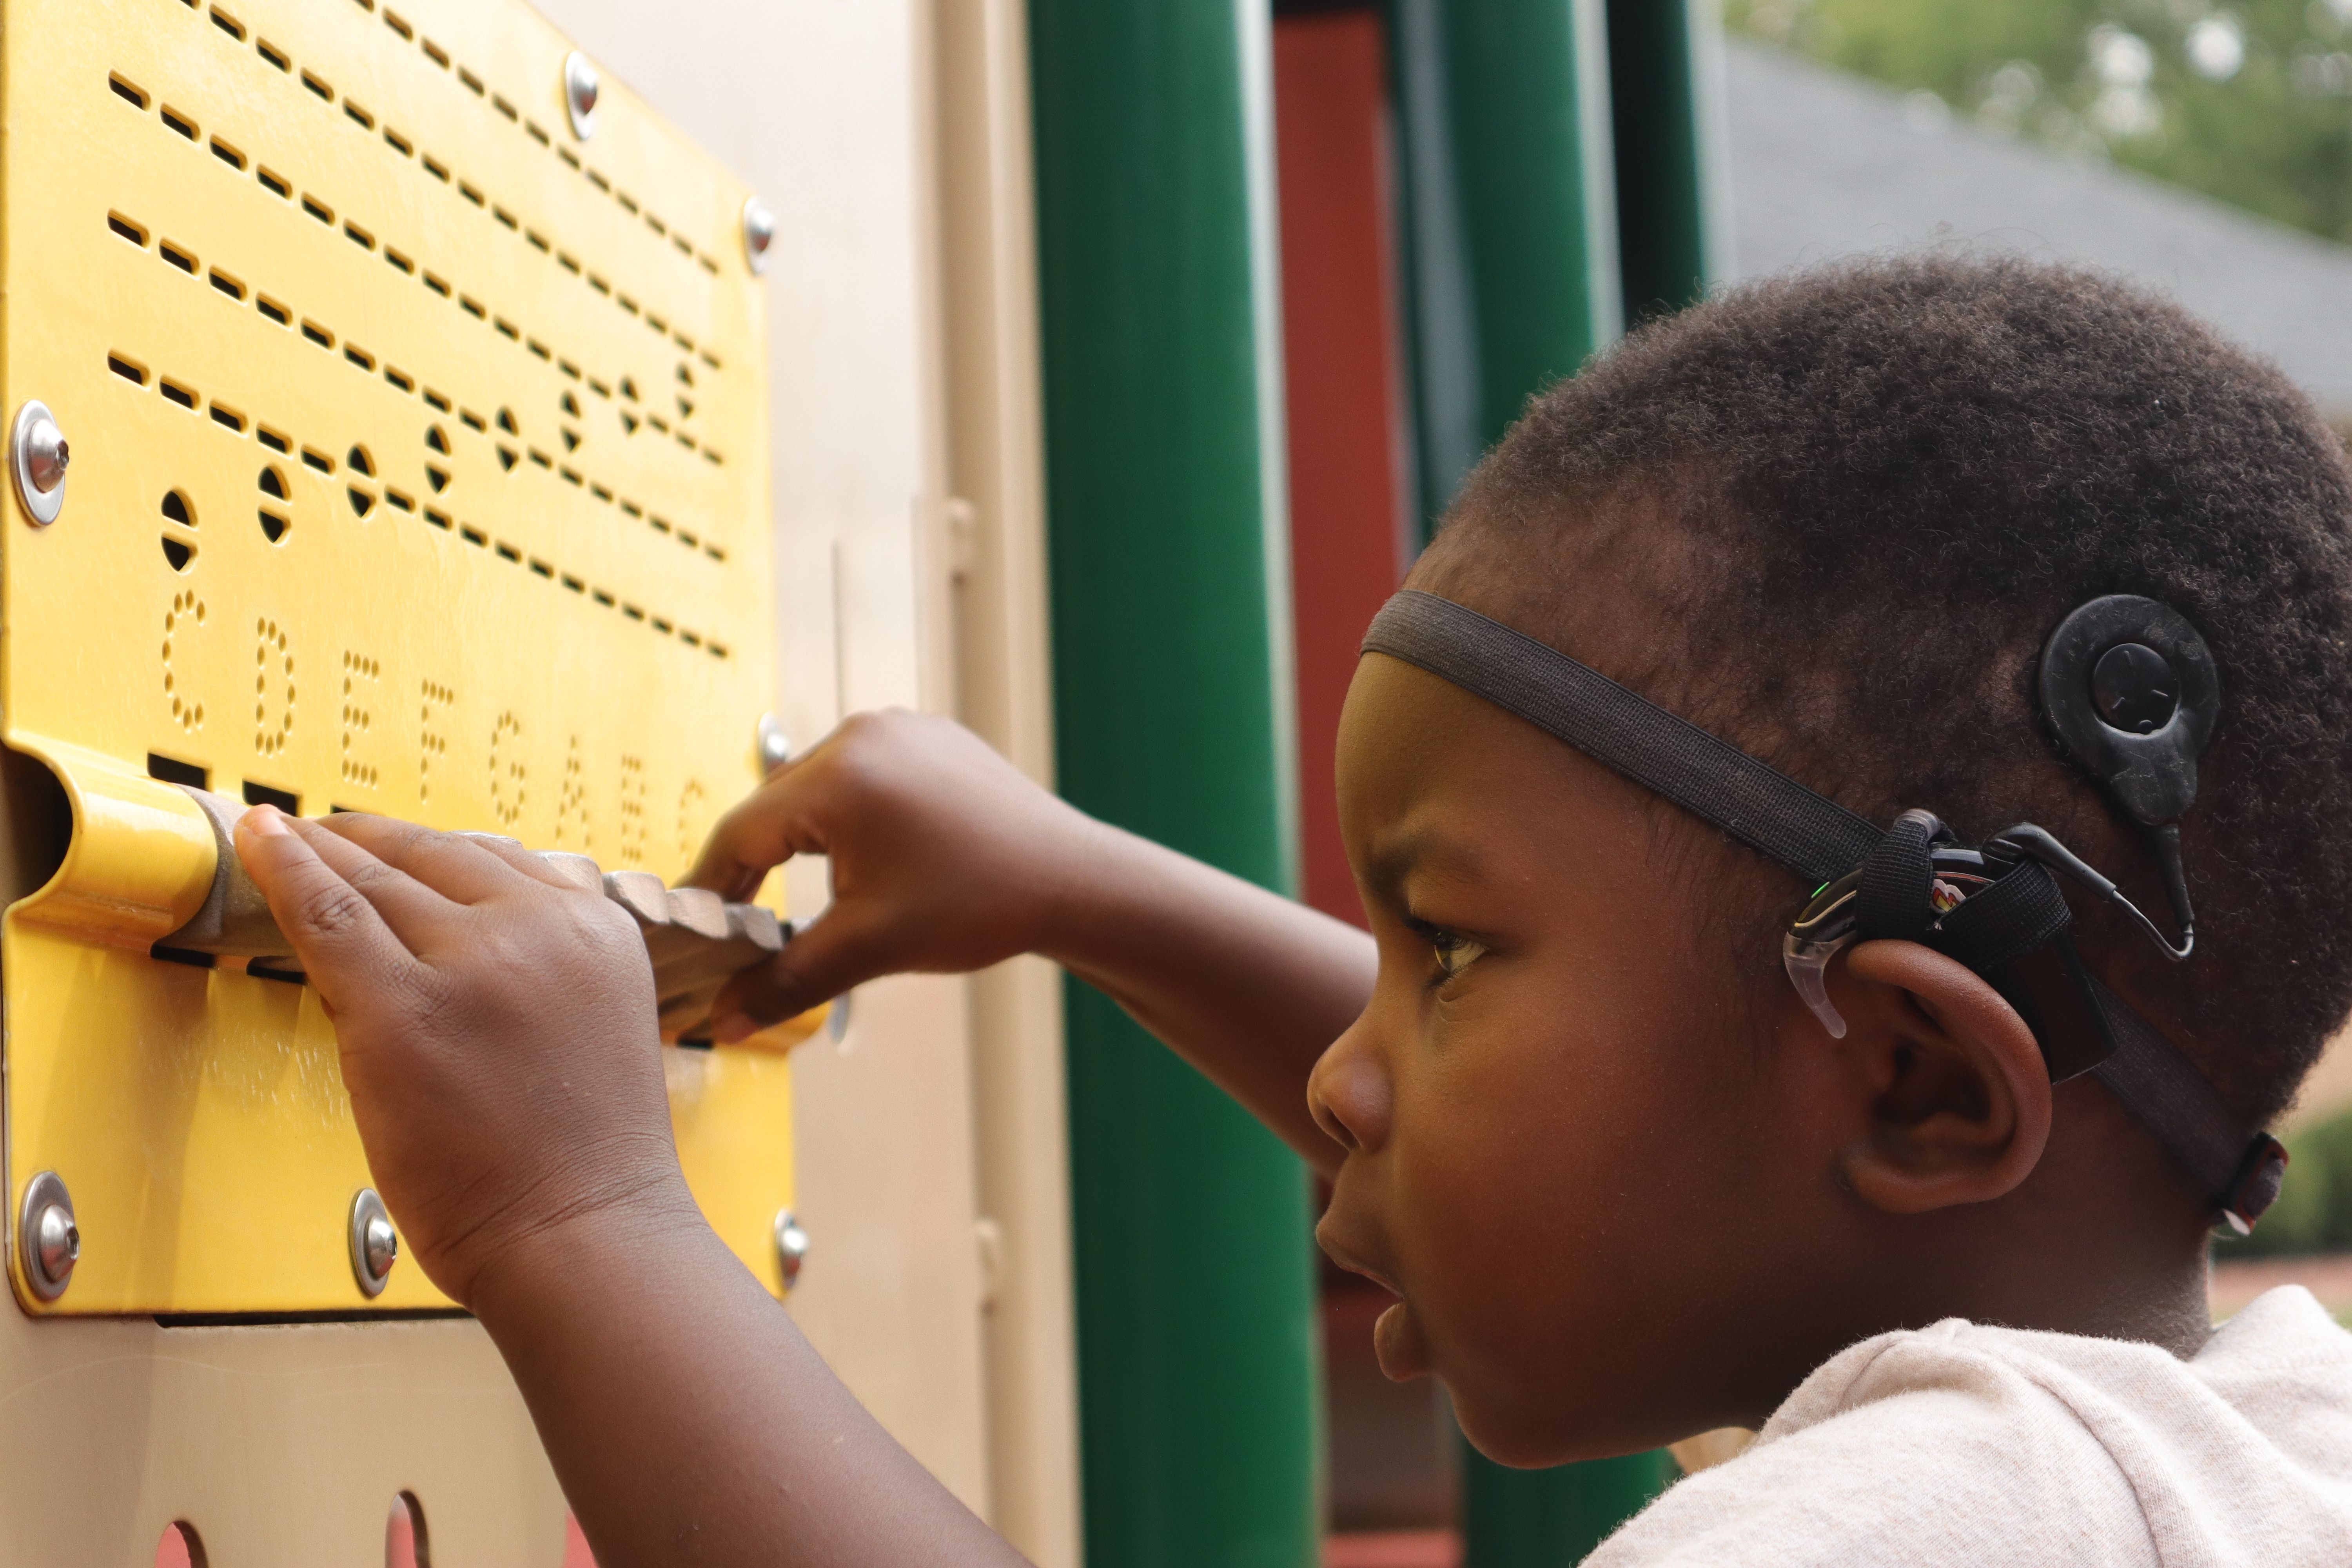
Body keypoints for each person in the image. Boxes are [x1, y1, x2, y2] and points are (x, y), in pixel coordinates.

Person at [230, 256, 2352, 1565]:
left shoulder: (1958, 1524)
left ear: (1910, 1082)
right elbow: (1673, 1109)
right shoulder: (2207, 1449)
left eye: (1448, 951)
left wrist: (580, 1222)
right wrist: (1082, 890)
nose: (1350, 1066)